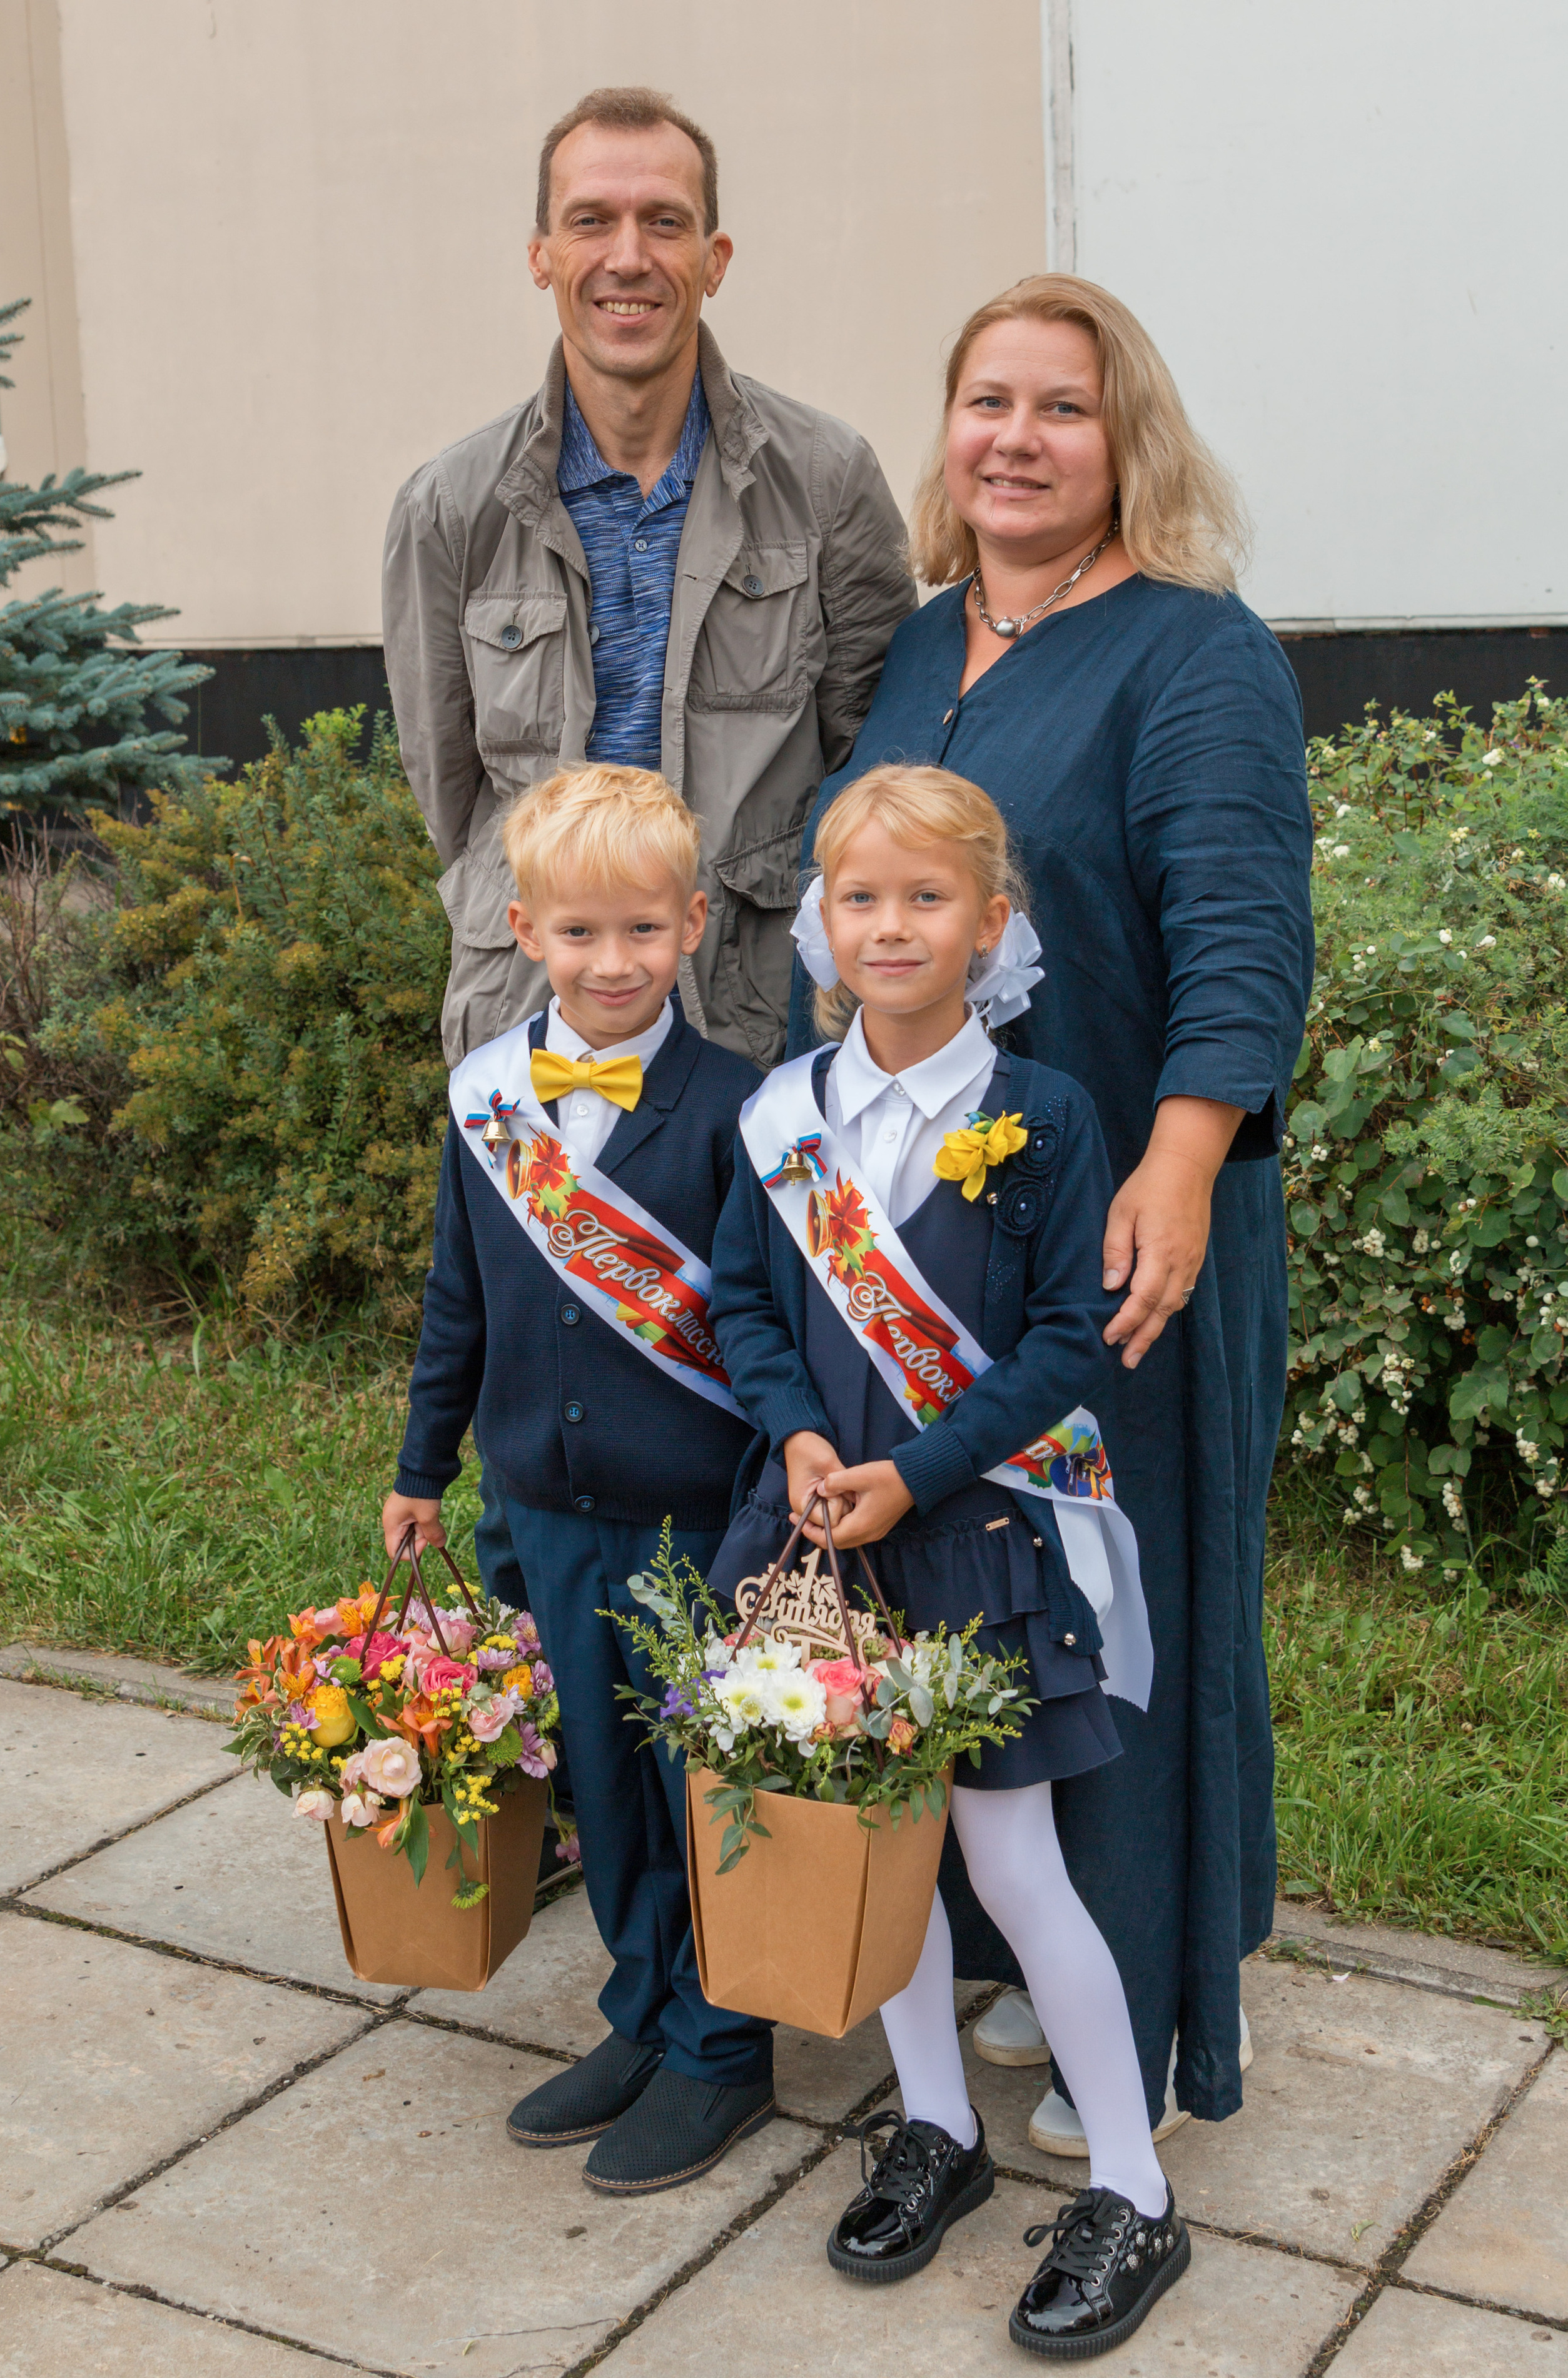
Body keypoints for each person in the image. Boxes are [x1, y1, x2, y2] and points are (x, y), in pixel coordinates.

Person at [791, 274, 1313, 2157]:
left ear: (1129, 444)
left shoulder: (1197, 650)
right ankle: (1007, 1952)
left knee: (1124, 1612)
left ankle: (1146, 2025)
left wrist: (1177, 1167)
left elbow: (1242, 943)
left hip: (1122, 1244)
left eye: (1062, 410)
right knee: (972, 1599)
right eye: (986, 401)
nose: (1015, 438)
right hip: (926, 1247)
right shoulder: (930, 648)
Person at [382, 80, 916, 1616]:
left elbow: (863, 764)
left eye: (662, 222)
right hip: (531, 1023)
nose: (629, 254)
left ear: (715, 254)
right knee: (539, 1391)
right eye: (592, 222)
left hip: (746, 1015)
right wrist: (537, 936)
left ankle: (739, 1735)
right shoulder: (451, 504)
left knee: (757, 1381)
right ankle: (543, 1745)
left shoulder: (819, 483)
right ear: (539, 255)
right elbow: (452, 791)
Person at [710, 765, 1188, 2361]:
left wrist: (908, 1472)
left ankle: (1129, 2185)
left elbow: (1068, 1342)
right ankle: (939, 2128)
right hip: (820, 1530)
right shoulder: (783, 1114)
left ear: (993, 925)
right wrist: (792, 1441)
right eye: (860, 899)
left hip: (976, 1537)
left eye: (926, 898)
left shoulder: (1043, 1115)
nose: (890, 926)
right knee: (872, 1843)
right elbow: (746, 1306)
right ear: (818, 929)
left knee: (1007, 1867)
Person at [382, 764, 777, 2195]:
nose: (612, 966)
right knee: (598, 1789)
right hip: (540, 1510)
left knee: (699, 1788)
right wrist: (425, 1465)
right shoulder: (489, 1102)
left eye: (643, 933)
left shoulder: (743, 1108)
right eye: (578, 935)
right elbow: (457, 1299)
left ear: (695, 924)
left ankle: (722, 2050)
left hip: (693, 1517)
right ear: (521, 928)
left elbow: (766, 1331)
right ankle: (639, 2013)